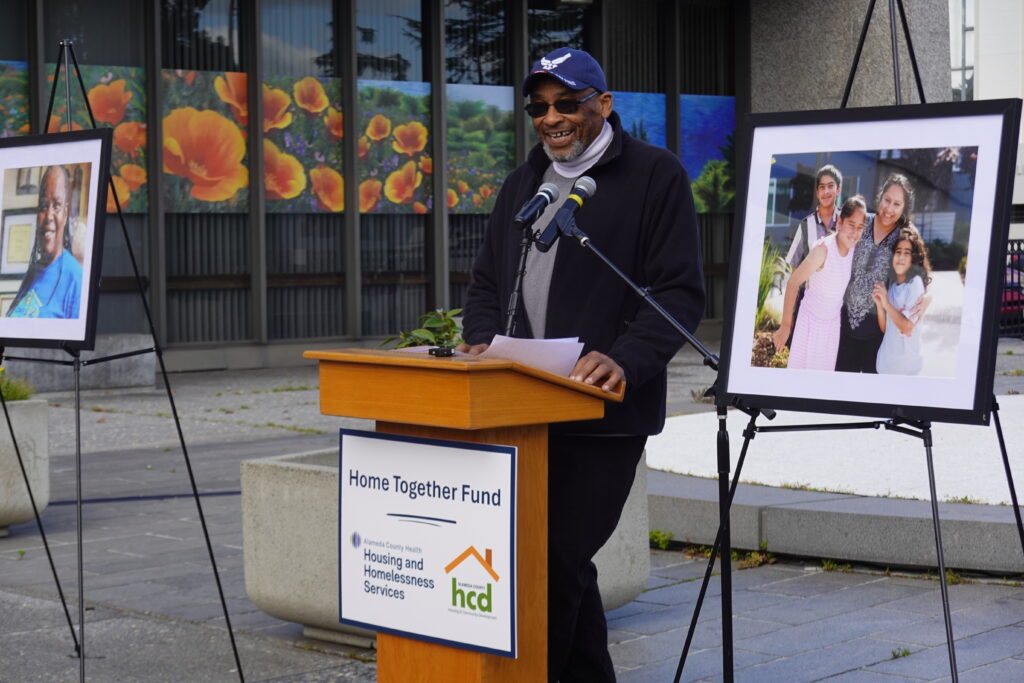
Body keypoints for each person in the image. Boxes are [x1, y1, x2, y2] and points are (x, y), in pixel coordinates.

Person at [457, 47, 704, 682]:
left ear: (603, 104)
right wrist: (484, 343)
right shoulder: (524, 181)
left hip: (601, 413)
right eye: (539, 106)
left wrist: (625, 358)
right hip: (522, 407)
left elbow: (678, 292)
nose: (551, 118)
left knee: (554, 559)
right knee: (561, 563)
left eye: (567, 103)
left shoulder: (656, 175)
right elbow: (486, 283)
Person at [835, 173, 925, 373]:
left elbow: (922, 273)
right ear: (880, 197)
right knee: (841, 394)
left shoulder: (904, 235)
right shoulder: (862, 221)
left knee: (869, 398)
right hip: (844, 328)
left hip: (878, 335)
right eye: (887, 200)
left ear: (904, 208)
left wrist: (927, 298)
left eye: (897, 204)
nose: (889, 208)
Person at [773, 195, 866, 370]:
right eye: (851, 225)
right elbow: (793, 283)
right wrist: (786, 326)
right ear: (839, 222)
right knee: (802, 380)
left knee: (822, 381)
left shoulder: (854, 250)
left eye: (860, 228)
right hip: (811, 323)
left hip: (831, 325)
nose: (855, 233)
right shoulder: (823, 250)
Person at [7, 165, 82, 319]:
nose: (48, 215)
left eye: (57, 206)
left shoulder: (76, 279)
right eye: (43, 206)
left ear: (66, 214)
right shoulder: (33, 272)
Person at [872, 227, 932, 375]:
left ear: (914, 258)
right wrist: (880, 306)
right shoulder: (892, 286)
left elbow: (907, 327)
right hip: (886, 364)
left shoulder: (915, 284)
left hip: (907, 367)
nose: (901, 257)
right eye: (898, 252)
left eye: (907, 253)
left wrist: (886, 303)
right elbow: (886, 329)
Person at [785, 164, 842, 269]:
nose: (826, 191)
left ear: (838, 189)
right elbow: (794, 266)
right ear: (817, 192)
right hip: (811, 285)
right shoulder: (805, 225)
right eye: (822, 187)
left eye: (830, 186)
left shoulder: (846, 221)